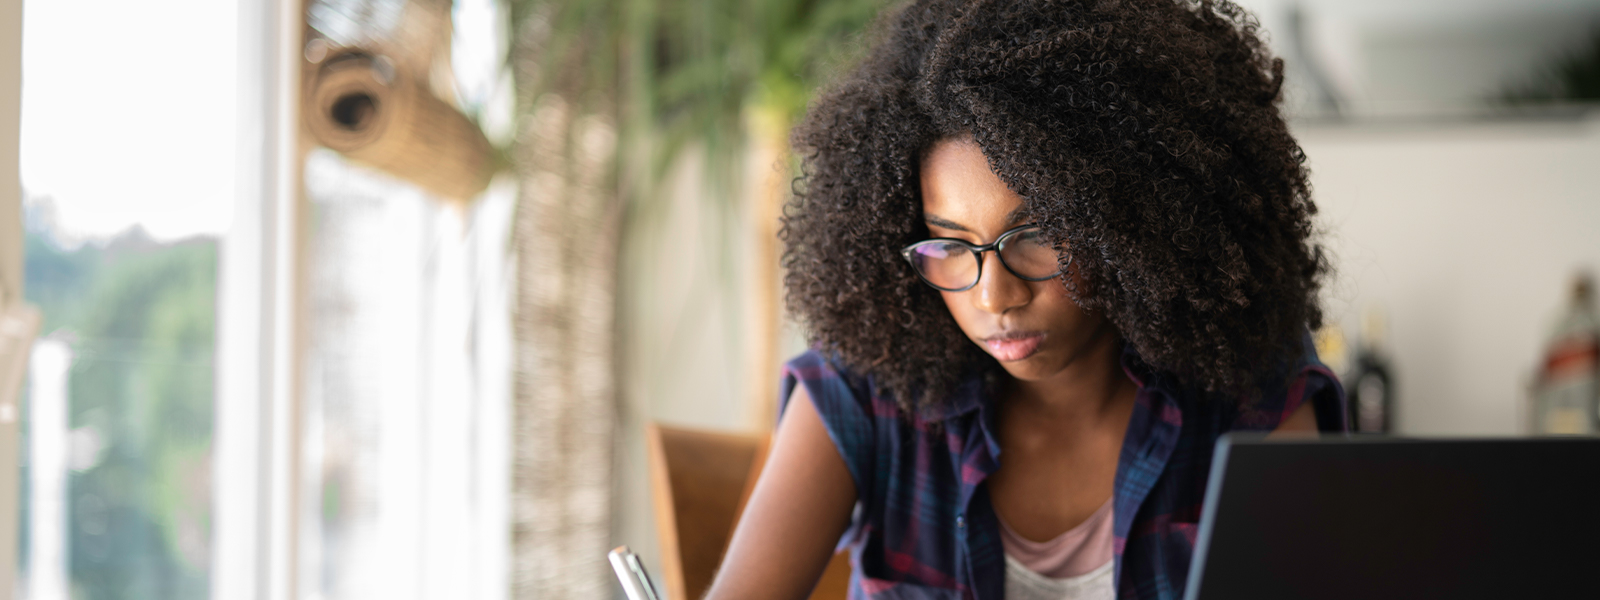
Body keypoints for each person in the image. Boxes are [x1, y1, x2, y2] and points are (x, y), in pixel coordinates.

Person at [707, 0, 1346, 598]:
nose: (995, 294)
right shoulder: (862, 388)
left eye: (1038, 234)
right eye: (949, 244)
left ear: (1137, 221)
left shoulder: (1248, 386)